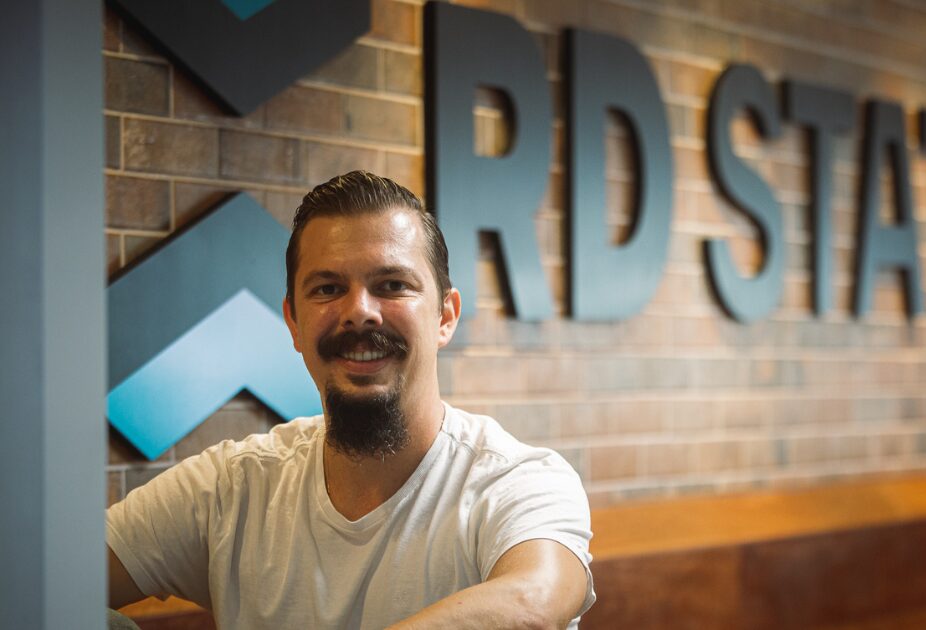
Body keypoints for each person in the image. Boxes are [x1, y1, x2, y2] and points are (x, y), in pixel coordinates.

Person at [106, 171, 594, 629]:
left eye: (392, 286)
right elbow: (45, 580)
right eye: (328, 288)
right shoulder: (234, 488)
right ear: (294, 323)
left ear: (445, 317)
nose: (359, 312)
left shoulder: (516, 480)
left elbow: (536, 601)